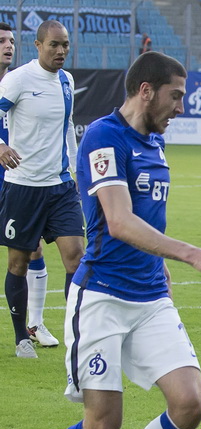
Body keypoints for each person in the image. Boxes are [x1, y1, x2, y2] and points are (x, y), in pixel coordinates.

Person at [13, 51, 201, 429]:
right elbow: (117, 221)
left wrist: (165, 274)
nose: (181, 106)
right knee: (101, 426)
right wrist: (191, 254)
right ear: (146, 90)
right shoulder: (102, 137)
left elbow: (149, 221)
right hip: (102, 299)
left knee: (191, 402)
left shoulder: (156, 143)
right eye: (176, 95)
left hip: (151, 298)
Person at [0, 20, 84, 359]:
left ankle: (78, 335)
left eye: (65, 44)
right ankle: (22, 336)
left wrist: (77, 171)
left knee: (77, 260)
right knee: (19, 262)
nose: (61, 51)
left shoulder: (67, 80)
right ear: (38, 46)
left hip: (61, 187)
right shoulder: (17, 79)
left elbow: (67, 130)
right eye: (54, 45)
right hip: (23, 187)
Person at [0, 22, 58, 351]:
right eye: (1, 41)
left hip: (18, 178)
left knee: (31, 248)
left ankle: (32, 324)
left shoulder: (23, 79)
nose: (8, 46)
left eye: (10, 40)